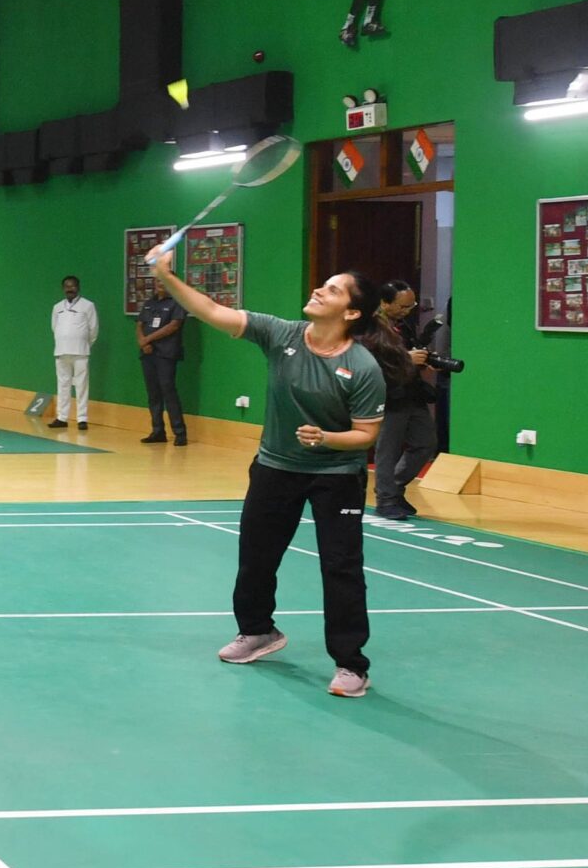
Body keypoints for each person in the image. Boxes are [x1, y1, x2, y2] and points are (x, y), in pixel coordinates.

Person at [147, 249, 400, 697]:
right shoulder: (281, 333)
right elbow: (211, 310)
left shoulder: (362, 367)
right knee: (257, 557)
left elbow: (366, 435)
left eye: (333, 290)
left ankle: (351, 665)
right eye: (324, 284)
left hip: (337, 475)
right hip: (276, 467)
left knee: (341, 568)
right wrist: (167, 276)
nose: (319, 289)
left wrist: (326, 438)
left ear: (351, 312)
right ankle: (258, 631)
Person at [371, 281, 440, 520]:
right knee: (387, 450)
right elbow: (365, 363)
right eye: (402, 306)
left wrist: (424, 360)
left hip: (412, 392)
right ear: (384, 303)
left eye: (411, 306)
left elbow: (410, 350)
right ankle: (385, 499)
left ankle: (395, 487)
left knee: (425, 443)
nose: (407, 311)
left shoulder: (405, 325)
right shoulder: (369, 328)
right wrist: (405, 359)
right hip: (388, 395)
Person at [137, 286, 188, 446]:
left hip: (166, 354)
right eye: (158, 281)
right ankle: (158, 431)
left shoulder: (177, 302)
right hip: (148, 353)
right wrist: (142, 342)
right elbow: (140, 324)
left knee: (168, 391)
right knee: (153, 393)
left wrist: (148, 339)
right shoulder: (149, 302)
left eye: (163, 281)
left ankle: (180, 433)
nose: (160, 284)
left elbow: (173, 326)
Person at [50, 275, 98, 431]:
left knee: (81, 385)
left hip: (80, 352)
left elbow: (93, 330)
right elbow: (54, 328)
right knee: (62, 385)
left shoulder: (88, 306)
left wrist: (84, 344)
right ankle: (62, 417)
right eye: (67, 286)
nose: (70, 289)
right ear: (63, 288)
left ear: (78, 287)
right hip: (61, 351)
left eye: (73, 286)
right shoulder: (57, 307)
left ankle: (82, 419)